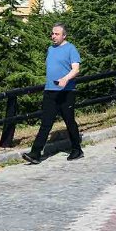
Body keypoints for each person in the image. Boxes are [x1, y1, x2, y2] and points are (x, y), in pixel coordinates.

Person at [22, 23, 83, 164]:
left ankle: (77, 149)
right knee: (45, 123)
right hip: (50, 90)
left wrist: (65, 79)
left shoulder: (70, 49)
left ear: (64, 35)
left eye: (57, 34)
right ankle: (35, 153)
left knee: (69, 121)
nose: (53, 36)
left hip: (66, 92)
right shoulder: (51, 49)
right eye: (52, 34)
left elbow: (76, 69)